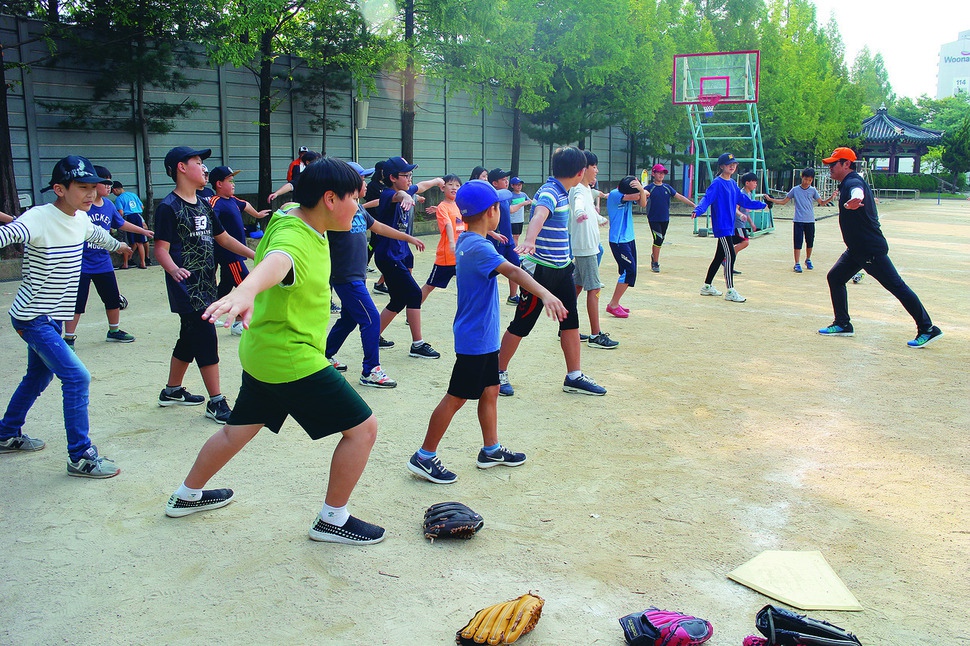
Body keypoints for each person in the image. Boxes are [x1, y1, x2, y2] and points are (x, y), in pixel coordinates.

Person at [165, 157, 386, 545]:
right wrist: (245, 291)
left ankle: (186, 496)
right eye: (355, 198)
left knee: (236, 432)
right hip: (289, 356)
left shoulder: (291, 214)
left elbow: (282, 220)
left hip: (263, 350)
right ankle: (333, 519)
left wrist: (251, 292)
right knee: (363, 429)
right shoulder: (294, 237)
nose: (359, 207)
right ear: (330, 199)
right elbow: (277, 261)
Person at [406, 180, 568, 484]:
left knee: (490, 390)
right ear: (492, 211)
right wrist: (546, 294)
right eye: (500, 207)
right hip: (476, 339)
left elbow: (482, 246)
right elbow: (514, 271)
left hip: (482, 335)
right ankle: (424, 456)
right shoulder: (479, 247)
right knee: (456, 397)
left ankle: (491, 449)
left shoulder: (469, 240)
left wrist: (488, 234)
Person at [0, 156, 130, 478]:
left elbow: (99, 237)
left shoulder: (81, 219)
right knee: (77, 376)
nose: (91, 194)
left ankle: (6, 433)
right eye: (82, 187)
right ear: (59, 189)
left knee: (39, 376)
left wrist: (120, 246)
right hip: (32, 318)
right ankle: (80, 457)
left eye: (93, 187)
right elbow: (9, 235)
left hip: (53, 317)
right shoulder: (39, 218)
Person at [154, 146, 257, 424]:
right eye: (198, 162)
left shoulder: (203, 203)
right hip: (185, 286)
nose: (204, 168)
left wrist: (255, 254)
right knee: (205, 337)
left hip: (206, 283)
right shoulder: (168, 206)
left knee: (189, 337)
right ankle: (217, 402)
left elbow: (223, 238)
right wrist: (174, 269)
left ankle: (172, 390)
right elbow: (160, 248)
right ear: (181, 168)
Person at [498, 146, 607, 397]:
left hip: (561, 268)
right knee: (522, 324)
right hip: (540, 272)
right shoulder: (550, 192)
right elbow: (539, 214)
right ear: (580, 172)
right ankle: (498, 371)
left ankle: (574, 376)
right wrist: (530, 239)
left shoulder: (562, 190)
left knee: (571, 323)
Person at [817, 147, 943, 348]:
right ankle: (842, 323)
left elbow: (857, 191)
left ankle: (927, 328)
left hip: (869, 249)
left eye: (833, 164)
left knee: (896, 286)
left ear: (846, 164)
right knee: (836, 277)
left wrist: (856, 199)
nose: (829, 168)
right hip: (857, 249)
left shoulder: (853, 182)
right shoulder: (846, 183)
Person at [326, 161, 426, 388]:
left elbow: (379, 227)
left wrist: (408, 237)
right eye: (361, 179)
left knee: (349, 319)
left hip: (357, 276)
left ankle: (325, 355)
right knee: (370, 319)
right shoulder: (336, 211)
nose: (367, 183)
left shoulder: (358, 208)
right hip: (346, 277)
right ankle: (370, 370)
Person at [62, 165, 154, 348]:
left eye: (111, 183)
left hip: (102, 262)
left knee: (112, 298)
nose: (109, 186)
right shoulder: (81, 208)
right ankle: (69, 338)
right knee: (77, 302)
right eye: (106, 182)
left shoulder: (109, 205)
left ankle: (114, 331)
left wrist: (143, 230)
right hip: (81, 263)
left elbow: (121, 223)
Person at [371, 156, 445, 359]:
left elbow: (420, 186)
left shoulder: (407, 189)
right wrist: (404, 196)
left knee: (398, 299)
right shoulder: (388, 194)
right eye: (406, 175)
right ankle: (417, 345)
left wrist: (438, 180)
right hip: (388, 255)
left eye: (411, 174)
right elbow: (399, 195)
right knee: (413, 294)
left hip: (401, 254)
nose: (410, 179)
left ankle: (372, 336)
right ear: (393, 177)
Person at [692, 153, 766, 303]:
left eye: (734, 164)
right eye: (728, 164)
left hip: (730, 226)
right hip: (722, 226)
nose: (732, 166)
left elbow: (744, 200)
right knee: (730, 255)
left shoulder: (732, 184)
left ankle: (707, 286)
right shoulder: (717, 183)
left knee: (719, 256)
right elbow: (707, 199)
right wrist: (698, 210)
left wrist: (763, 204)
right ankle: (730, 290)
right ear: (721, 166)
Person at [207, 166, 271, 335]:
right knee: (247, 285)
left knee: (225, 287)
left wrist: (256, 214)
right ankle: (238, 323)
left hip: (237, 254)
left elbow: (246, 204)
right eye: (230, 180)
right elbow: (209, 220)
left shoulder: (232, 200)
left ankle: (209, 311)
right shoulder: (215, 202)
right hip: (230, 255)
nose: (233, 183)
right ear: (219, 184)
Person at [568, 150, 617, 349]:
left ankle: (566, 326)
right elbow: (579, 205)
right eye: (594, 166)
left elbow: (588, 208)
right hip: (585, 247)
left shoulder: (587, 188)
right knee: (594, 288)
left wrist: (599, 219)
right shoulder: (578, 189)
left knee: (577, 286)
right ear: (583, 169)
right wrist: (579, 213)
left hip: (587, 245)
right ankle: (596, 335)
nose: (596, 170)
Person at [763, 167, 834, 273]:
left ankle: (808, 259)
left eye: (809, 180)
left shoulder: (813, 190)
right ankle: (797, 263)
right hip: (798, 220)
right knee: (798, 242)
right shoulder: (795, 190)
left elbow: (821, 202)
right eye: (805, 179)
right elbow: (784, 201)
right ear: (802, 178)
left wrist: (831, 197)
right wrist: (770, 199)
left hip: (810, 220)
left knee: (810, 241)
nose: (807, 182)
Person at [604, 175, 647, 318]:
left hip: (628, 238)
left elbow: (643, 203)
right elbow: (643, 194)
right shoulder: (616, 194)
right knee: (629, 271)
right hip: (618, 241)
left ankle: (616, 302)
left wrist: (640, 190)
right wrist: (641, 189)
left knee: (629, 271)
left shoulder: (628, 194)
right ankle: (613, 304)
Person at [420, 174, 464, 303]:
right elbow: (448, 224)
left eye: (457, 185)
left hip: (461, 255)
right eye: (450, 184)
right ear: (443, 188)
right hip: (447, 257)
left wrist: (491, 233)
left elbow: (469, 225)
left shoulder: (459, 206)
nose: (454, 188)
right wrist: (451, 243)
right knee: (430, 285)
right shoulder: (443, 206)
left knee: (467, 285)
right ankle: (412, 310)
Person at [644, 163, 696, 273]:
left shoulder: (667, 188)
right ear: (653, 174)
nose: (661, 175)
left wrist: (693, 205)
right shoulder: (649, 188)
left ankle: (654, 256)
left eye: (663, 173)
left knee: (660, 240)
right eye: (659, 172)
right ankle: (655, 263)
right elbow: (641, 198)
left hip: (665, 218)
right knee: (657, 239)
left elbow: (679, 196)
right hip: (653, 218)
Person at [487, 168, 521, 304]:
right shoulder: (492, 199)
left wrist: (524, 203)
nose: (506, 181)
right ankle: (488, 297)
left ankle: (513, 296)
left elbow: (510, 210)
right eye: (503, 179)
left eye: (507, 179)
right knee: (492, 270)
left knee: (515, 265)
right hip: (496, 241)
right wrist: (493, 234)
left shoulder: (506, 197)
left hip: (509, 241)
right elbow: (483, 221)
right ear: (494, 183)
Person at [111, 180, 151, 269]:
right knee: (140, 241)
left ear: (115, 190)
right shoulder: (133, 195)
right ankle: (143, 262)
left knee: (127, 241)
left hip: (128, 218)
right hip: (138, 216)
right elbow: (142, 207)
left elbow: (120, 212)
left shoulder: (119, 199)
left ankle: (125, 263)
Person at [731, 172, 761, 274]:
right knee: (745, 242)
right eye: (754, 182)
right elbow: (736, 209)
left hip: (741, 224)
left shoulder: (748, 194)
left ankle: (729, 264)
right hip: (737, 224)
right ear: (747, 183)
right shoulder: (742, 194)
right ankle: (726, 258)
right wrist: (740, 215)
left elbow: (746, 212)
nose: (756, 184)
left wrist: (751, 223)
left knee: (737, 243)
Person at [508, 176, 532, 246]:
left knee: (517, 236)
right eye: (517, 185)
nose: (519, 186)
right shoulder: (511, 195)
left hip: (520, 219)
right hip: (513, 220)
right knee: (515, 236)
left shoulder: (523, 194)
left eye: (520, 185)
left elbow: (530, 201)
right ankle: (516, 252)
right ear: (512, 185)